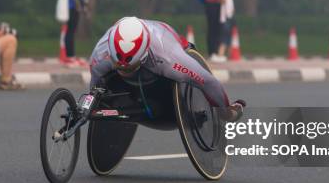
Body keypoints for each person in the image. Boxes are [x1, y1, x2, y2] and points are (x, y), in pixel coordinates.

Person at [89, 17, 245, 121]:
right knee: (99, 75)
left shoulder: (169, 58)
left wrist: (225, 112)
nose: (124, 71)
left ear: (142, 58)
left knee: (196, 74)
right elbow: (95, 82)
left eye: (130, 67)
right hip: (129, 30)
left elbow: (208, 82)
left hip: (164, 36)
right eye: (119, 67)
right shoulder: (101, 53)